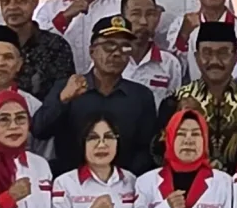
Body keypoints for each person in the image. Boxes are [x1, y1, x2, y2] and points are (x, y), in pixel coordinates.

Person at [49, 16, 158, 173]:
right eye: (109, 46)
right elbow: (40, 130)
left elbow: (146, 149)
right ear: (92, 52)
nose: (117, 53)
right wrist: (62, 100)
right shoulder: (66, 87)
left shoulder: (141, 96)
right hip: (70, 182)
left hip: (124, 183)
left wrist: (123, 178)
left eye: (125, 48)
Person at [167, 18, 237, 168]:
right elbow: (158, 153)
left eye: (223, 53)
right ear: (197, 57)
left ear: (236, 58)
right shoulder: (177, 100)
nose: (215, 61)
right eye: (207, 53)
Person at [0, 0, 74, 102]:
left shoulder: (56, 46)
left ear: (35, 2)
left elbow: (66, 97)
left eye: (20, 1)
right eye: (6, 1)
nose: (12, 7)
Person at [121, 0, 187, 105]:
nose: (143, 21)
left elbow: (173, 105)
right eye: (136, 14)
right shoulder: (111, 59)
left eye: (150, 14)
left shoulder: (169, 63)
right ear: (123, 18)